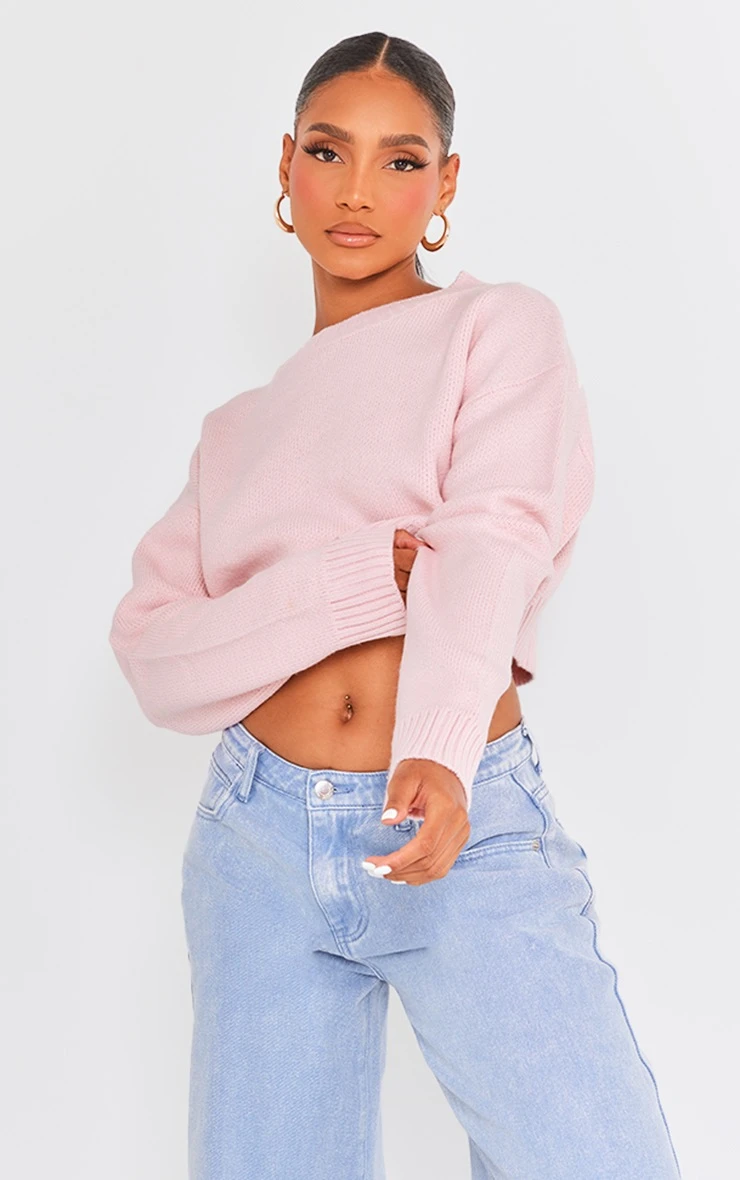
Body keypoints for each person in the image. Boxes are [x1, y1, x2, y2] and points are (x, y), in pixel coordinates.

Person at [108, 30, 683, 1180]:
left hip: (456, 814)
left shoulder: (495, 328)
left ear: (444, 183)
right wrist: (360, 580)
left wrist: (436, 746)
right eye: (328, 151)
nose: (358, 190)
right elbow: (155, 657)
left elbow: (491, 538)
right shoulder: (234, 435)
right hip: (254, 842)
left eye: (401, 159)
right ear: (286, 166)